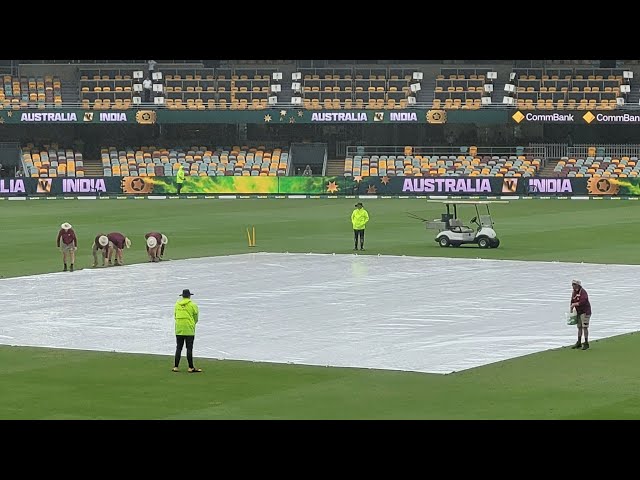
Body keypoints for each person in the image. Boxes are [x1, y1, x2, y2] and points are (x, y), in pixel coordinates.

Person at [173, 289, 202, 373]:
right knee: (189, 348)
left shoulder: (177, 305)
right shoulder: (193, 305)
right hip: (189, 328)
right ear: (189, 296)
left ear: (182, 296)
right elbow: (196, 317)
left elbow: (175, 316)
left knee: (178, 347)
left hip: (179, 328)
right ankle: (190, 367)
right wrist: (193, 324)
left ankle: (175, 366)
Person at [570, 279, 592, 350]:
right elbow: (572, 300)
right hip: (579, 312)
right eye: (572, 284)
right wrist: (571, 309)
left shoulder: (583, 292)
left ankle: (586, 343)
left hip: (585, 312)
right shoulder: (574, 292)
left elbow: (583, 301)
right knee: (579, 327)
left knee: (585, 327)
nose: (572, 286)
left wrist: (575, 304)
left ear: (578, 285)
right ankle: (579, 342)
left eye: (574, 284)